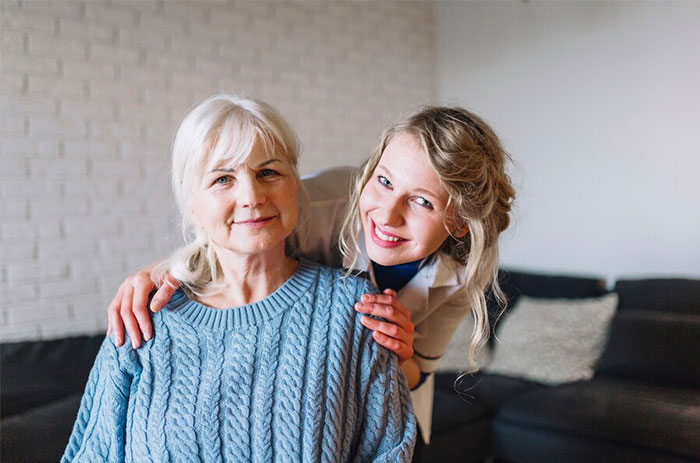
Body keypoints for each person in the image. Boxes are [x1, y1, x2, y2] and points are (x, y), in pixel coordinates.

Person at [107, 104, 515, 444]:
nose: (387, 215)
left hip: (385, 410)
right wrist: (161, 271)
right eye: (384, 181)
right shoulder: (313, 205)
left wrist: (400, 352)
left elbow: (416, 374)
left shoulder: (461, 275)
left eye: (423, 202)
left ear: (461, 223)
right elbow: (231, 229)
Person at [62, 94, 416, 462]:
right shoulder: (141, 320)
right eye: (223, 179)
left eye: (268, 172)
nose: (251, 195)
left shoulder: (355, 309)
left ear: (295, 183)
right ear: (191, 201)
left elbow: (389, 452)